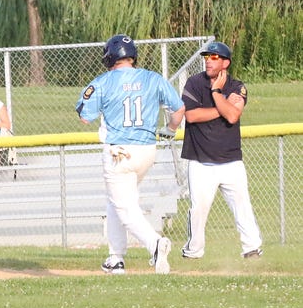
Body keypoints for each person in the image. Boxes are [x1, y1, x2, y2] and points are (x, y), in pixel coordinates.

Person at [75, 34, 185, 275]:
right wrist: (169, 130)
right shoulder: (152, 78)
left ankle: (155, 244)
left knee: (125, 208)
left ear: (110, 56)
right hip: (146, 150)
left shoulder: (103, 82)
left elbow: (84, 116)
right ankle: (116, 258)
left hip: (120, 152)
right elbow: (178, 109)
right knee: (116, 202)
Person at [180, 41, 263, 259]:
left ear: (225, 63)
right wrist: (224, 107)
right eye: (207, 57)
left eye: (214, 57)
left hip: (230, 161)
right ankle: (193, 251)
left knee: (242, 207)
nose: (208, 60)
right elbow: (191, 116)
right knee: (198, 210)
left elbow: (234, 116)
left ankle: (251, 248)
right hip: (200, 161)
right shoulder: (194, 83)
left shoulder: (237, 86)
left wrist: (217, 93)